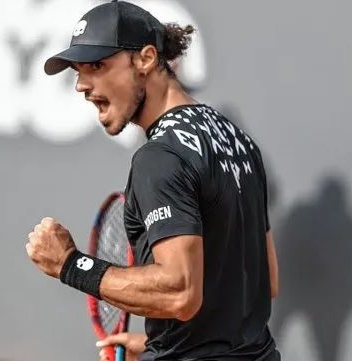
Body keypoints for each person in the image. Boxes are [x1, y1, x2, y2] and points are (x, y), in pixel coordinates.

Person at [25, 1, 280, 360]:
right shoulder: (237, 140)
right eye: (79, 71)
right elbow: (264, 281)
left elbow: (180, 293)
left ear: (145, 59)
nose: (81, 84)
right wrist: (157, 344)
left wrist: (71, 265)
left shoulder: (159, 158)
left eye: (97, 65)